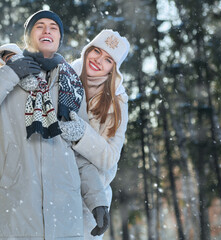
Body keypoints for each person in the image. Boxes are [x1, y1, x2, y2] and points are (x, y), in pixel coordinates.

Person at [0, 10, 110, 239]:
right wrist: (10, 73)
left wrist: (97, 200)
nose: (47, 30)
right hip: (14, 215)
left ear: (59, 39)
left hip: (64, 217)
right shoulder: (1, 77)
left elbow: (79, 156)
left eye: (54, 27)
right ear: (28, 36)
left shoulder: (72, 88)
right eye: (40, 26)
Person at [61, 29, 130, 239]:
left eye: (108, 59)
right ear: (88, 49)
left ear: (113, 69)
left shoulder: (117, 103)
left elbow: (109, 158)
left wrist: (82, 134)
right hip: (54, 186)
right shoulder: (63, 77)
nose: (98, 60)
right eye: (97, 51)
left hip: (90, 200)